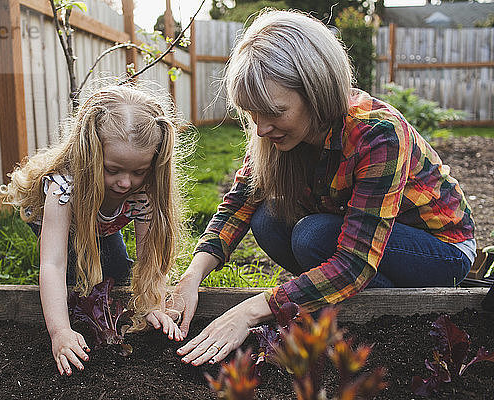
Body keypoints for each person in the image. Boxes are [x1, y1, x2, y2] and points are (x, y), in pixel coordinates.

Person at [173, 9, 476, 366]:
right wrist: (191, 278)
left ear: (315, 92)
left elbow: (353, 263)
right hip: (359, 237)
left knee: (312, 236)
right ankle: (332, 299)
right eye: (252, 114)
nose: (260, 129)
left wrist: (252, 311)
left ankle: (392, 310)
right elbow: (238, 204)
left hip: (439, 250)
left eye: (273, 112)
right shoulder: (276, 137)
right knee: (267, 219)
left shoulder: (377, 134)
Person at [1, 83, 187, 376]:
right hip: (62, 218)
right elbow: (52, 263)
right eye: (113, 170)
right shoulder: (64, 187)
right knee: (74, 277)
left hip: (105, 222)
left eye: (138, 172)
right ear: (90, 155)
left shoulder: (144, 192)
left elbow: (148, 257)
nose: (126, 182)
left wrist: (153, 306)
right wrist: (60, 331)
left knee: (116, 271)